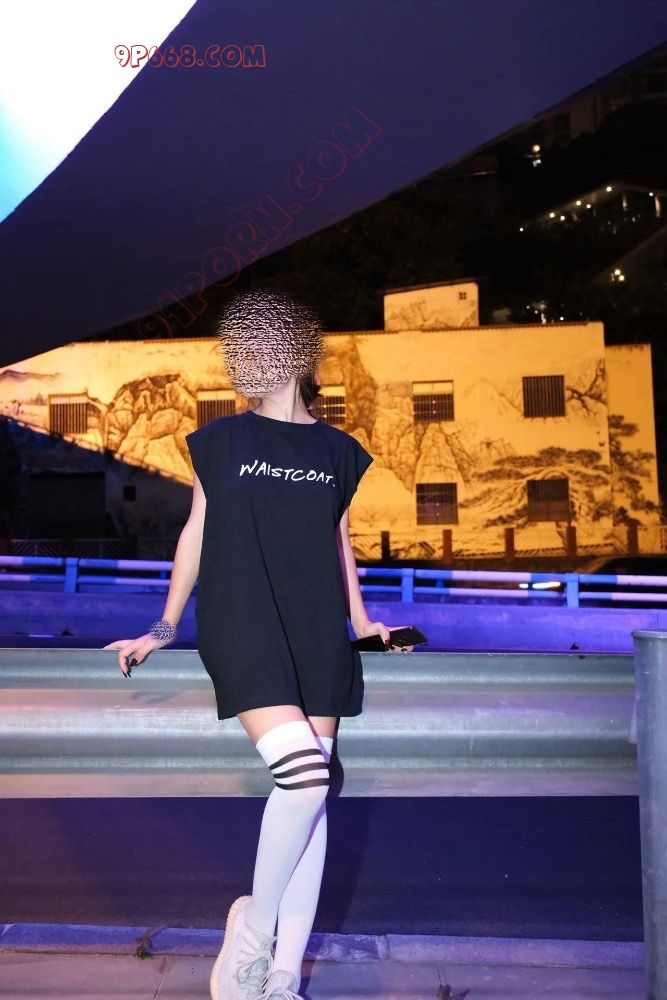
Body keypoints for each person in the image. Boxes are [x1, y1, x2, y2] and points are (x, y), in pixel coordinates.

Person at [104, 288, 400, 1000]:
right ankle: (253, 933)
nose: (248, 359)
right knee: (304, 778)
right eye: (241, 348)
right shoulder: (223, 440)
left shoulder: (338, 452)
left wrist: (361, 621)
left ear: (297, 355)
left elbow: (339, 543)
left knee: (312, 800)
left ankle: (280, 978)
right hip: (242, 623)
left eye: (262, 344)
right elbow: (196, 532)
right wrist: (163, 626)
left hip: (315, 631)